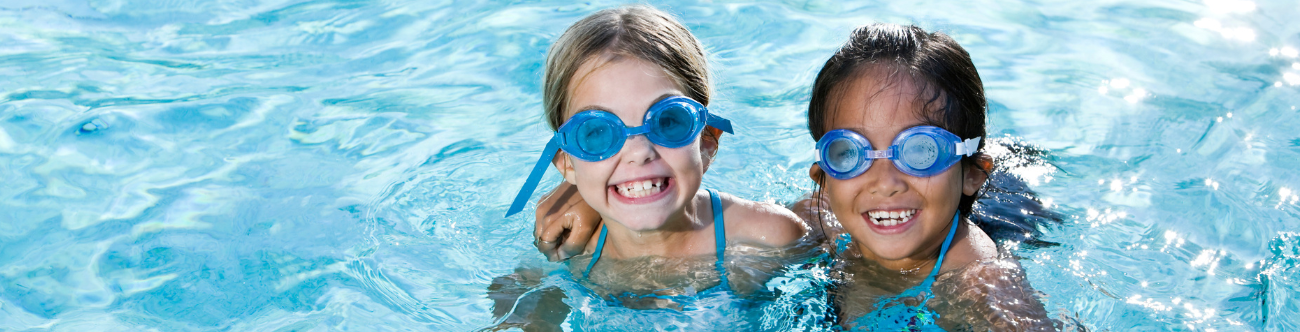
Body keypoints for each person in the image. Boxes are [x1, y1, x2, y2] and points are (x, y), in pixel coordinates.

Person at [535, 23, 1057, 331]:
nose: (885, 181)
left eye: (921, 150)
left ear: (969, 173)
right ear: (822, 177)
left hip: (1005, 207)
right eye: (850, 154)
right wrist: (592, 195)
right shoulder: (825, 221)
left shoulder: (981, 283)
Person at [490, 5, 808, 329]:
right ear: (566, 163)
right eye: (597, 132)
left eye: (669, 121)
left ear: (708, 139)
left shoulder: (766, 237)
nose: (639, 152)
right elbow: (515, 299)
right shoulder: (569, 251)